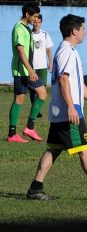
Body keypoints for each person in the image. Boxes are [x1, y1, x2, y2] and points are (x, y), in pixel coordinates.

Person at [26, 14, 87, 201]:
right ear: (74, 31)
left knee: (53, 150)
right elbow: (63, 80)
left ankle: (35, 189)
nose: (85, 33)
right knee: (85, 150)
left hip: (61, 113)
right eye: (83, 29)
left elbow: (76, 84)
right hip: (69, 113)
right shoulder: (66, 51)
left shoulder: (70, 51)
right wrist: (71, 107)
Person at [8, 2, 47, 143]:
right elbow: (20, 51)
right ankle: (14, 133)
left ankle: (28, 128)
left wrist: (31, 68)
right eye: (35, 16)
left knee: (41, 94)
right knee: (21, 99)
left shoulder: (26, 28)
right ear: (27, 15)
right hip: (22, 71)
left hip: (27, 70)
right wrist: (30, 70)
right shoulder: (19, 28)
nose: (36, 20)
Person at [30, 14, 54, 118]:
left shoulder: (45, 34)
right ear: (32, 22)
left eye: (38, 22)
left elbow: (48, 49)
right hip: (32, 67)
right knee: (33, 89)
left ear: (41, 23)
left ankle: (37, 109)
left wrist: (51, 62)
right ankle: (35, 109)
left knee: (42, 88)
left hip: (43, 66)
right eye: (35, 22)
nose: (36, 24)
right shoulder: (28, 34)